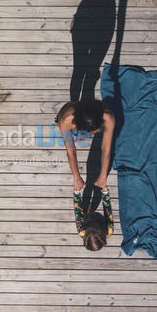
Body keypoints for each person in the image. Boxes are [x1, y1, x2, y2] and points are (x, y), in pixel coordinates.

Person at [55, 99, 117, 250]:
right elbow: (71, 150)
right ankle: (77, 130)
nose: (90, 135)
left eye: (93, 132)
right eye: (88, 132)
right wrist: (76, 177)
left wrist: (103, 176)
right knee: (68, 133)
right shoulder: (66, 120)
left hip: (88, 118)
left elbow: (106, 148)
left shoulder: (108, 116)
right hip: (72, 118)